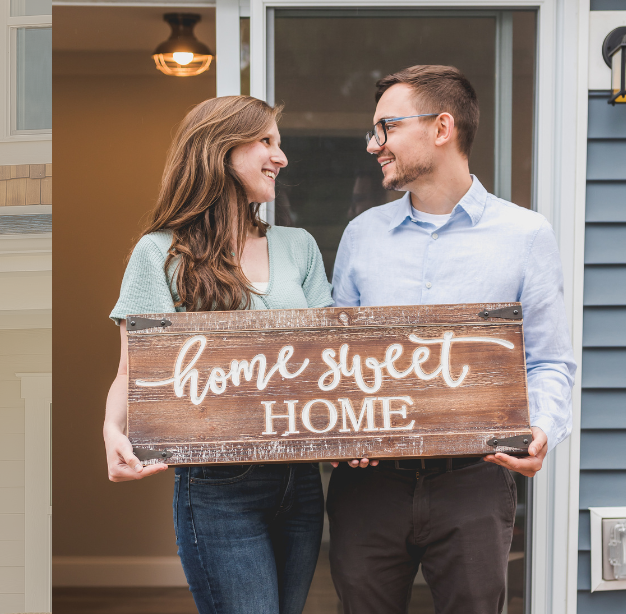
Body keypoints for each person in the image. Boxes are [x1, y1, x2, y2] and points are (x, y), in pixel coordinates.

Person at [328, 65, 576, 614]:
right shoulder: (361, 235)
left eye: (387, 127)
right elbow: (335, 361)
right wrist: (344, 430)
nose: (376, 145)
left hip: (475, 482)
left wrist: (541, 429)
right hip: (369, 488)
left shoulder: (526, 235)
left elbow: (549, 360)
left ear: (442, 128)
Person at [104, 96, 332, 614]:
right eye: (267, 142)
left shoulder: (299, 246)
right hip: (217, 483)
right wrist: (112, 430)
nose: (282, 158)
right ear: (219, 151)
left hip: (300, 479)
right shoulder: (158, 253)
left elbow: (330, 361)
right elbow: (132, 367)